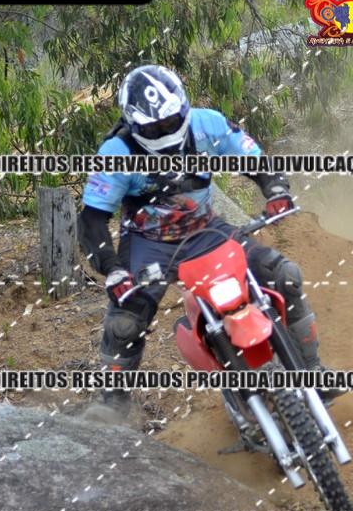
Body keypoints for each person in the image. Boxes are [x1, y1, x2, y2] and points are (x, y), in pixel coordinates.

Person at [79, 64, 323, 414]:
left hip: (206, 231)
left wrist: (275, 189)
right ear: (133, 124)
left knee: (285, 276)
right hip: (149, 244)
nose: (165, 130)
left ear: (183, 107)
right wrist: (112, 269)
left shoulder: (208, 124)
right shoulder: (117, 153)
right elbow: (92, 219)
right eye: (154, 127)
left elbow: (254, 160)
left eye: (170, 121)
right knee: (125, 320)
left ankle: (313, 371)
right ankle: (112, 403)